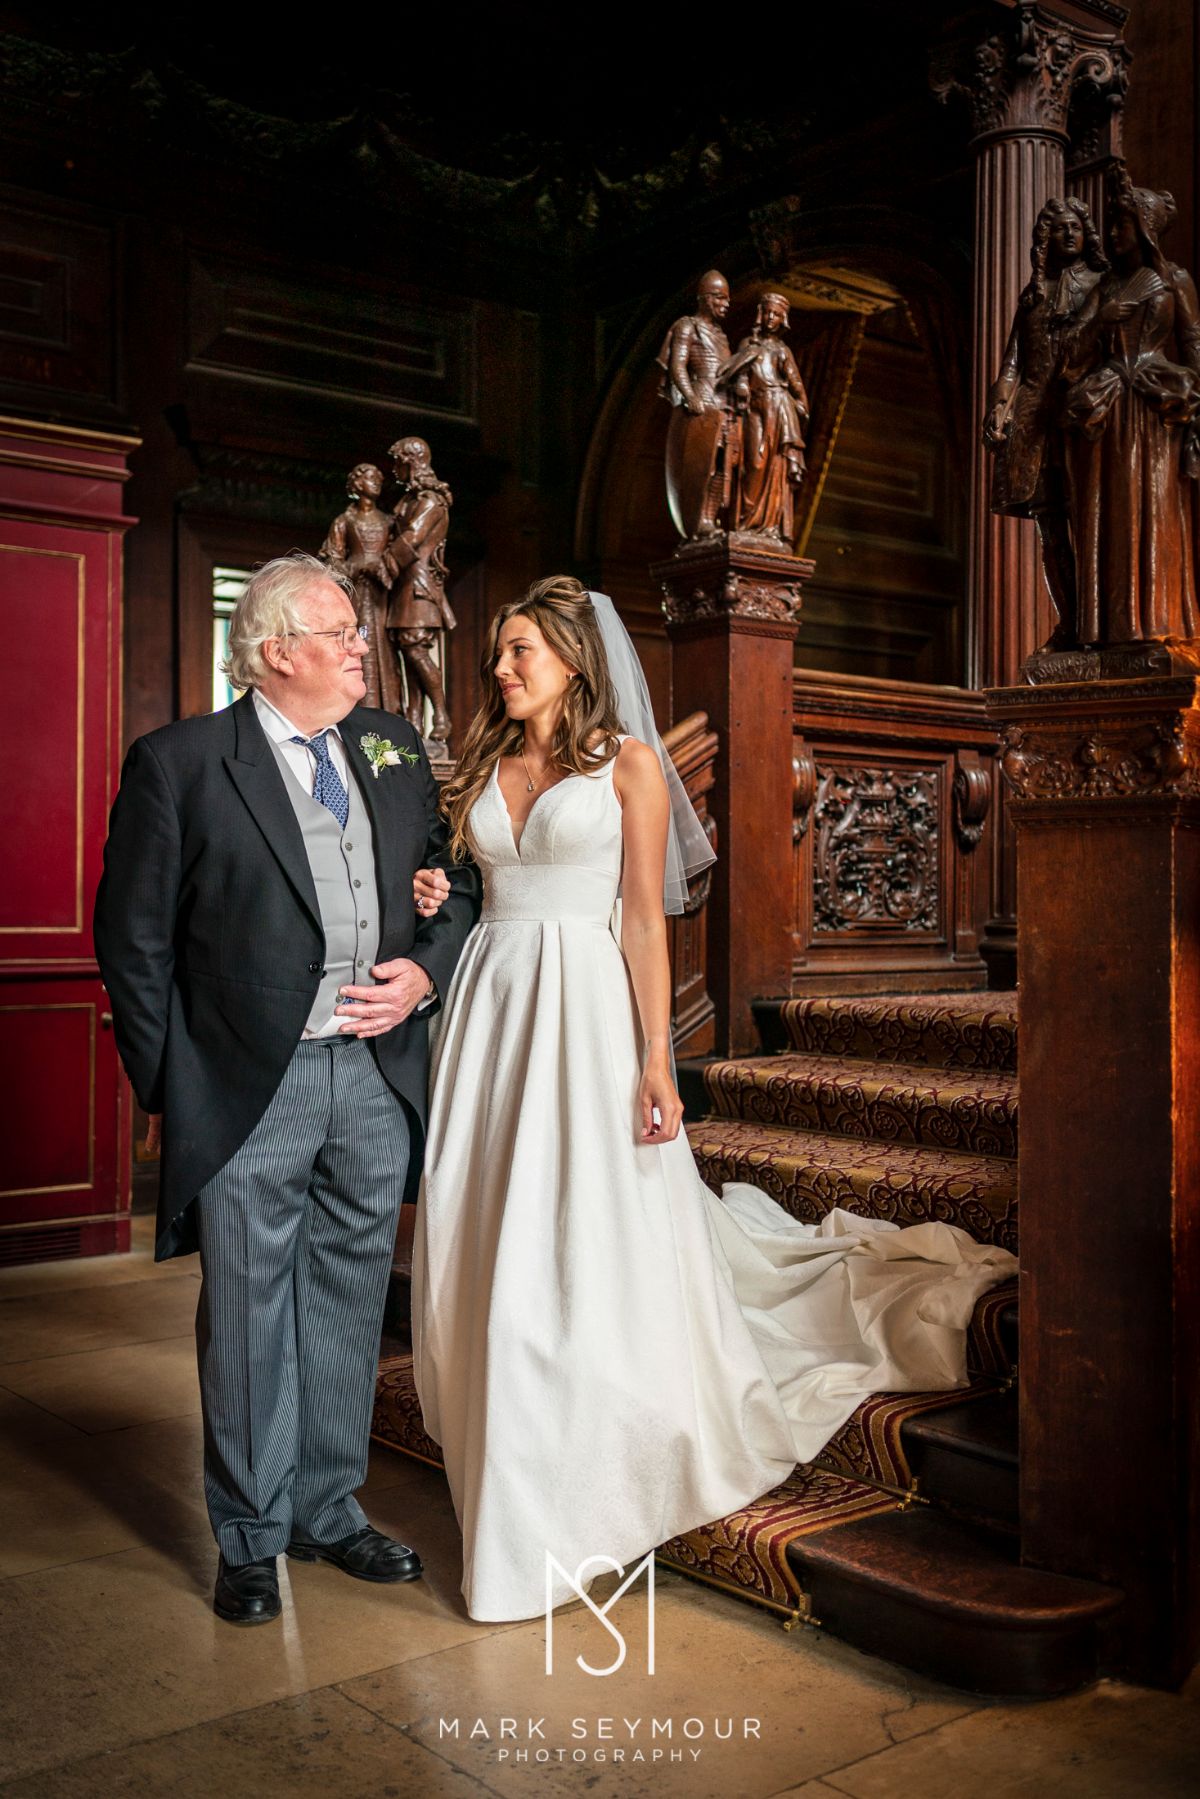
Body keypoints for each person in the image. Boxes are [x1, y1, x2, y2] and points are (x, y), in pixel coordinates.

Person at [411, 575, 1017, 1623]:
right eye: (499, 654)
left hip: (580, 1006)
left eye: (522, 652)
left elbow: (643, 921)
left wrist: (656, 1056)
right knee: (482, 1219)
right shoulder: (483, 762)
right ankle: (496, 1425)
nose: (502, 668)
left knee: (578, 1224)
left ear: (574, 659)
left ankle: (560, 1471)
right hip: (489, 1006)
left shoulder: (632, 765)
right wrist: (439, 886)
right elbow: (467, 884)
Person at [93, 552, 479, 1626]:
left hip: (369, 1071)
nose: (365, 646)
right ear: (273, 653)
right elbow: (131, 939)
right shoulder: (180, 763)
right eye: (341, 632)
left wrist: (427, 966)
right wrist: (181, 1081)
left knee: (351, 1296)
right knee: (251, 1310)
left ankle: (326, 1505)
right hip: (248, 1085)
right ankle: (252, 1534)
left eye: (358, 632)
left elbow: (455, 876)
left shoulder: (390, 750)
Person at [1060, 173, 1200, 643]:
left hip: (1156, 404)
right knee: (1108, 508)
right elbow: (1071, 354)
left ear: (1143, 227)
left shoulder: (1173, 279)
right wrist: (1101, 320)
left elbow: (1193, 343)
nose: (1113, 233)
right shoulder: (1106, 286)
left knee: (1155, 505)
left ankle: (1157, 621)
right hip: (1109, 405)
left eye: (1121, 224)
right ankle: (1109, 626)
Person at [983, 196, 1107, 647]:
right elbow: (1013, 363)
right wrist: (999, 405)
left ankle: (1101, 624)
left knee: (1091, 521)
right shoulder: (1033, 294)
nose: (1069, 234)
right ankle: (1068, 624)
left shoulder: (1102, 284)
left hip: (1081, 415)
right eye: (1060, 229)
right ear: (1046, 240)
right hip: (1036, 419)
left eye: (1076, 226)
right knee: (1050, 526)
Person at [718, 291, 809, 541]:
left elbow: (795, 383)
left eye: (777, 315)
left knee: (775, 466)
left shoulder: (781, 350)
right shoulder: (748, 344)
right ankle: (746, 523)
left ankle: (769, 527)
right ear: (761, 314)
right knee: (754, 464)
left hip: (778, 408)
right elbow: (737, 372)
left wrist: (802, 406)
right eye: (768, 312)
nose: (771, 318)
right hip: (754, 408)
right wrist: (741, 384)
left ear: (783, 319)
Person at [385, 436, 455, 743]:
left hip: (420, 587)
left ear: (410, 462)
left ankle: (441, 715)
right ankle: (413, 721)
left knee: (415, 650)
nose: (394, 470)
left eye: (397, 462)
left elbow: (413, 537)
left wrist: (383, 563)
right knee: (406, 652)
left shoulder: (430, 501)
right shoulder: (411, 500)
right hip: (405, 586)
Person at [656, 269, 733, 540]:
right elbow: (678, 365)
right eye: (719, 298)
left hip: (724, 407)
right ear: (704, 298)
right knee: (703, 465)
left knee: (722, 466)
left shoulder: (721, 335)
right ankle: (697, 519)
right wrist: (690, 397)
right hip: (702, 403)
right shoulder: (687, 325)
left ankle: (709, 519)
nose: (725, 305)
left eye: (727, 300)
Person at [320, 462, 403, 712]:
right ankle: (359, 709)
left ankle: (389, 711)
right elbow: (330, 561)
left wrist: (383, 567)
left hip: (384, 595)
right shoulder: (345, 521)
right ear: (356, 484)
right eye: (369, 477)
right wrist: (358, 565)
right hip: (356, 594)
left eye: (379, 478)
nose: (376, 481)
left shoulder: (389, 522)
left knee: (386, 651)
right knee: (357, 642)